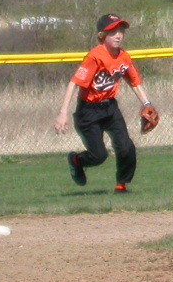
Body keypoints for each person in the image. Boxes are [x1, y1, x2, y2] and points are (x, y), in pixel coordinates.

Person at [53, 14, 153, 194]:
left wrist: (146, 103)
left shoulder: (124, 57)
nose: (118, 35)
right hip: (88, 111)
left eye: (121, 31)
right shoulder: (95, 57)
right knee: (99, 156)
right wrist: (63, 113)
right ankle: (76, 160)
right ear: (102, 36)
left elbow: (134, 81)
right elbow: (74, 83)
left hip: (110, 108)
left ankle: (121, 185)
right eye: (113, 32)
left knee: (126, 147)